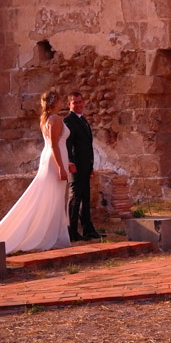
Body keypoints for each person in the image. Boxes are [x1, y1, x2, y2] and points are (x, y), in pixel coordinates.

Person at [0, 91, 72, 253]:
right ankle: (49, 236)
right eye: (60, 100)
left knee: (52, 197)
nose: (62, 103)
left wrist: (67, 163)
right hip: (54, 161)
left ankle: (53, 234)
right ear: (55, 102)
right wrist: (60, 167)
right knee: (52, 197)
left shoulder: (47, 119)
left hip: (51, 159)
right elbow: (54, 145)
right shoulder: (55, 119)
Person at [64, 91, 100, 241]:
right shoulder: (68, 121)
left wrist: (91, 166)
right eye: (74, 103)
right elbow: (67, 144)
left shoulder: (83, 120)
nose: (78, 105)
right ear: (69, 105)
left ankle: (87, 229)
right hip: (75, 166)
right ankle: (71, 231)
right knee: (75, 198)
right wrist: (70, 162)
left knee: (85, 198)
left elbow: (87, 145)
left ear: (83, 102)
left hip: (85, 166)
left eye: (80, 102)